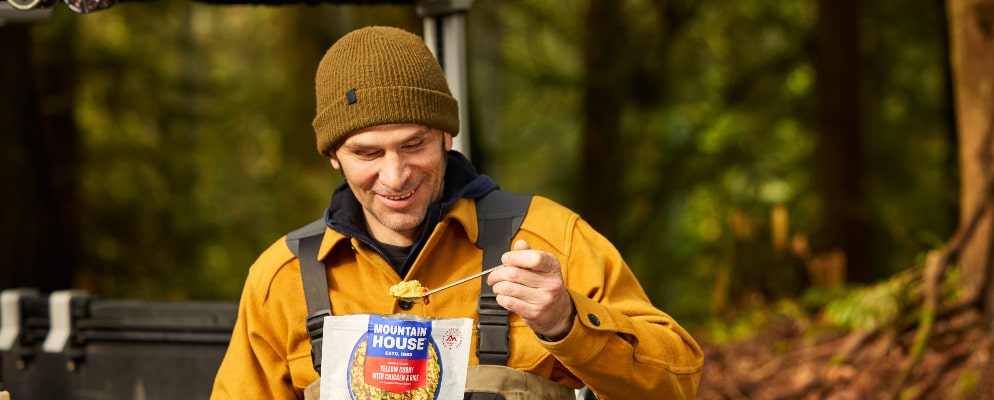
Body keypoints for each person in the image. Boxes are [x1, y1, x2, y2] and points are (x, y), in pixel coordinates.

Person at [210, 26, 703, 399]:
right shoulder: (283, 278)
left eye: (414, 144)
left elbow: (679, 381)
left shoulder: (551, 238)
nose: (396, 174)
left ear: (447, 135)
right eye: (367, 153)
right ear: (333, 156)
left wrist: (566, 320)